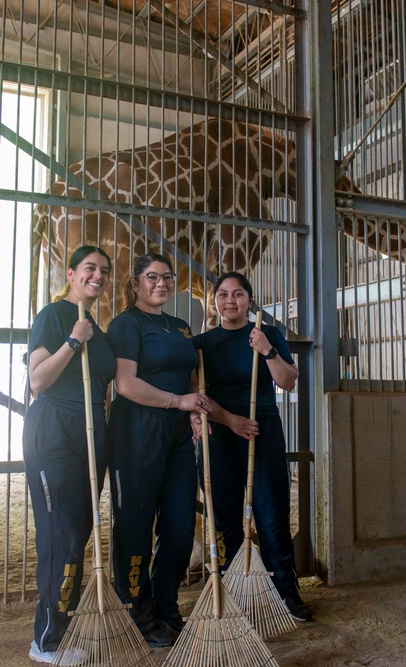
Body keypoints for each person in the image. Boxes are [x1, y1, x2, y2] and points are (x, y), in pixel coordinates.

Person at [194, 271, 313, 622]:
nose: (230, 300)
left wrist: (268, 350)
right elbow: (198, 396)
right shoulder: (202, 343)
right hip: (220, 433)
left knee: (272, 514)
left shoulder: (267, 333)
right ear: (214, 301)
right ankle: (234, 593)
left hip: (262, 430)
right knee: (227, 519)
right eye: (223, 294)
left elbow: (289, 381)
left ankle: (287, 594)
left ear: (249, 299)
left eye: (239, 294)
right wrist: (230, 420)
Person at [106, 253, 211, 646]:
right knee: (134, 526)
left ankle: (167, 607)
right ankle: (139, 614)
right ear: (135, 284)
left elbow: (190, 376)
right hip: (136, 431)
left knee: (181, 526)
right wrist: (178, 402)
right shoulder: (126, 324)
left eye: (167, 277)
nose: (161, 283)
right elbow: (127, 385)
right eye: (152, 277)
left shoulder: (181, 327)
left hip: (178, 436)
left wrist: (194, 407)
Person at [21, 246, 115, 665]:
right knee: (60, 531)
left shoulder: (95, 323)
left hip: (91, 434)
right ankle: (45, 640)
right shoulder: (56, 315)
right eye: (90, 268)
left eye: (104, 271)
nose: (98, 276)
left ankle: (61, 627)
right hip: (53, 431)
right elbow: (38, 380)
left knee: (78, 530)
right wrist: (73, 343)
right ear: (72, 272)